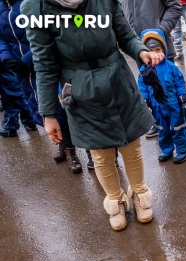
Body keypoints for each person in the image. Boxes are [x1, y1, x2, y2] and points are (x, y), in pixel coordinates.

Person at [22, 0, 164, 231]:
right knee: (100, 154)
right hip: (80, 90)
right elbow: (45, 65)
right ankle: (115, 200)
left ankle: (139, 193)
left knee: (132, 147)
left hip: (118, 81)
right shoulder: (36, 8)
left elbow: (125, 35)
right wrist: (48, 114)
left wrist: (141, 51)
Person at [139, 29, 186, 164]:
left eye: (159, 49)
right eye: (152, 51)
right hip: (156, 105)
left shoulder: (170, 67)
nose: (156, 54)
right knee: (161, 129)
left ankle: (182, 150)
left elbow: (179, 82)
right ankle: (167, 149)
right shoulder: (144, 70)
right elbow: (142, 87)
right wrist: (145, 100)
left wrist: (183, 98)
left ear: (164, 49)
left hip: (173, 104)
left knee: (178, 126)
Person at [0, 0, 42, 133]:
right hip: (18, 67)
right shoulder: (2, 7)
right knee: (31, 100)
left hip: (41, 63)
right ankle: (64, 147)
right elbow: (1, 37)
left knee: (57, 108)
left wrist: (25, 60)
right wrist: (7, 58)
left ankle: (69, 147)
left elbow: (45, 36)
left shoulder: (33, 3)